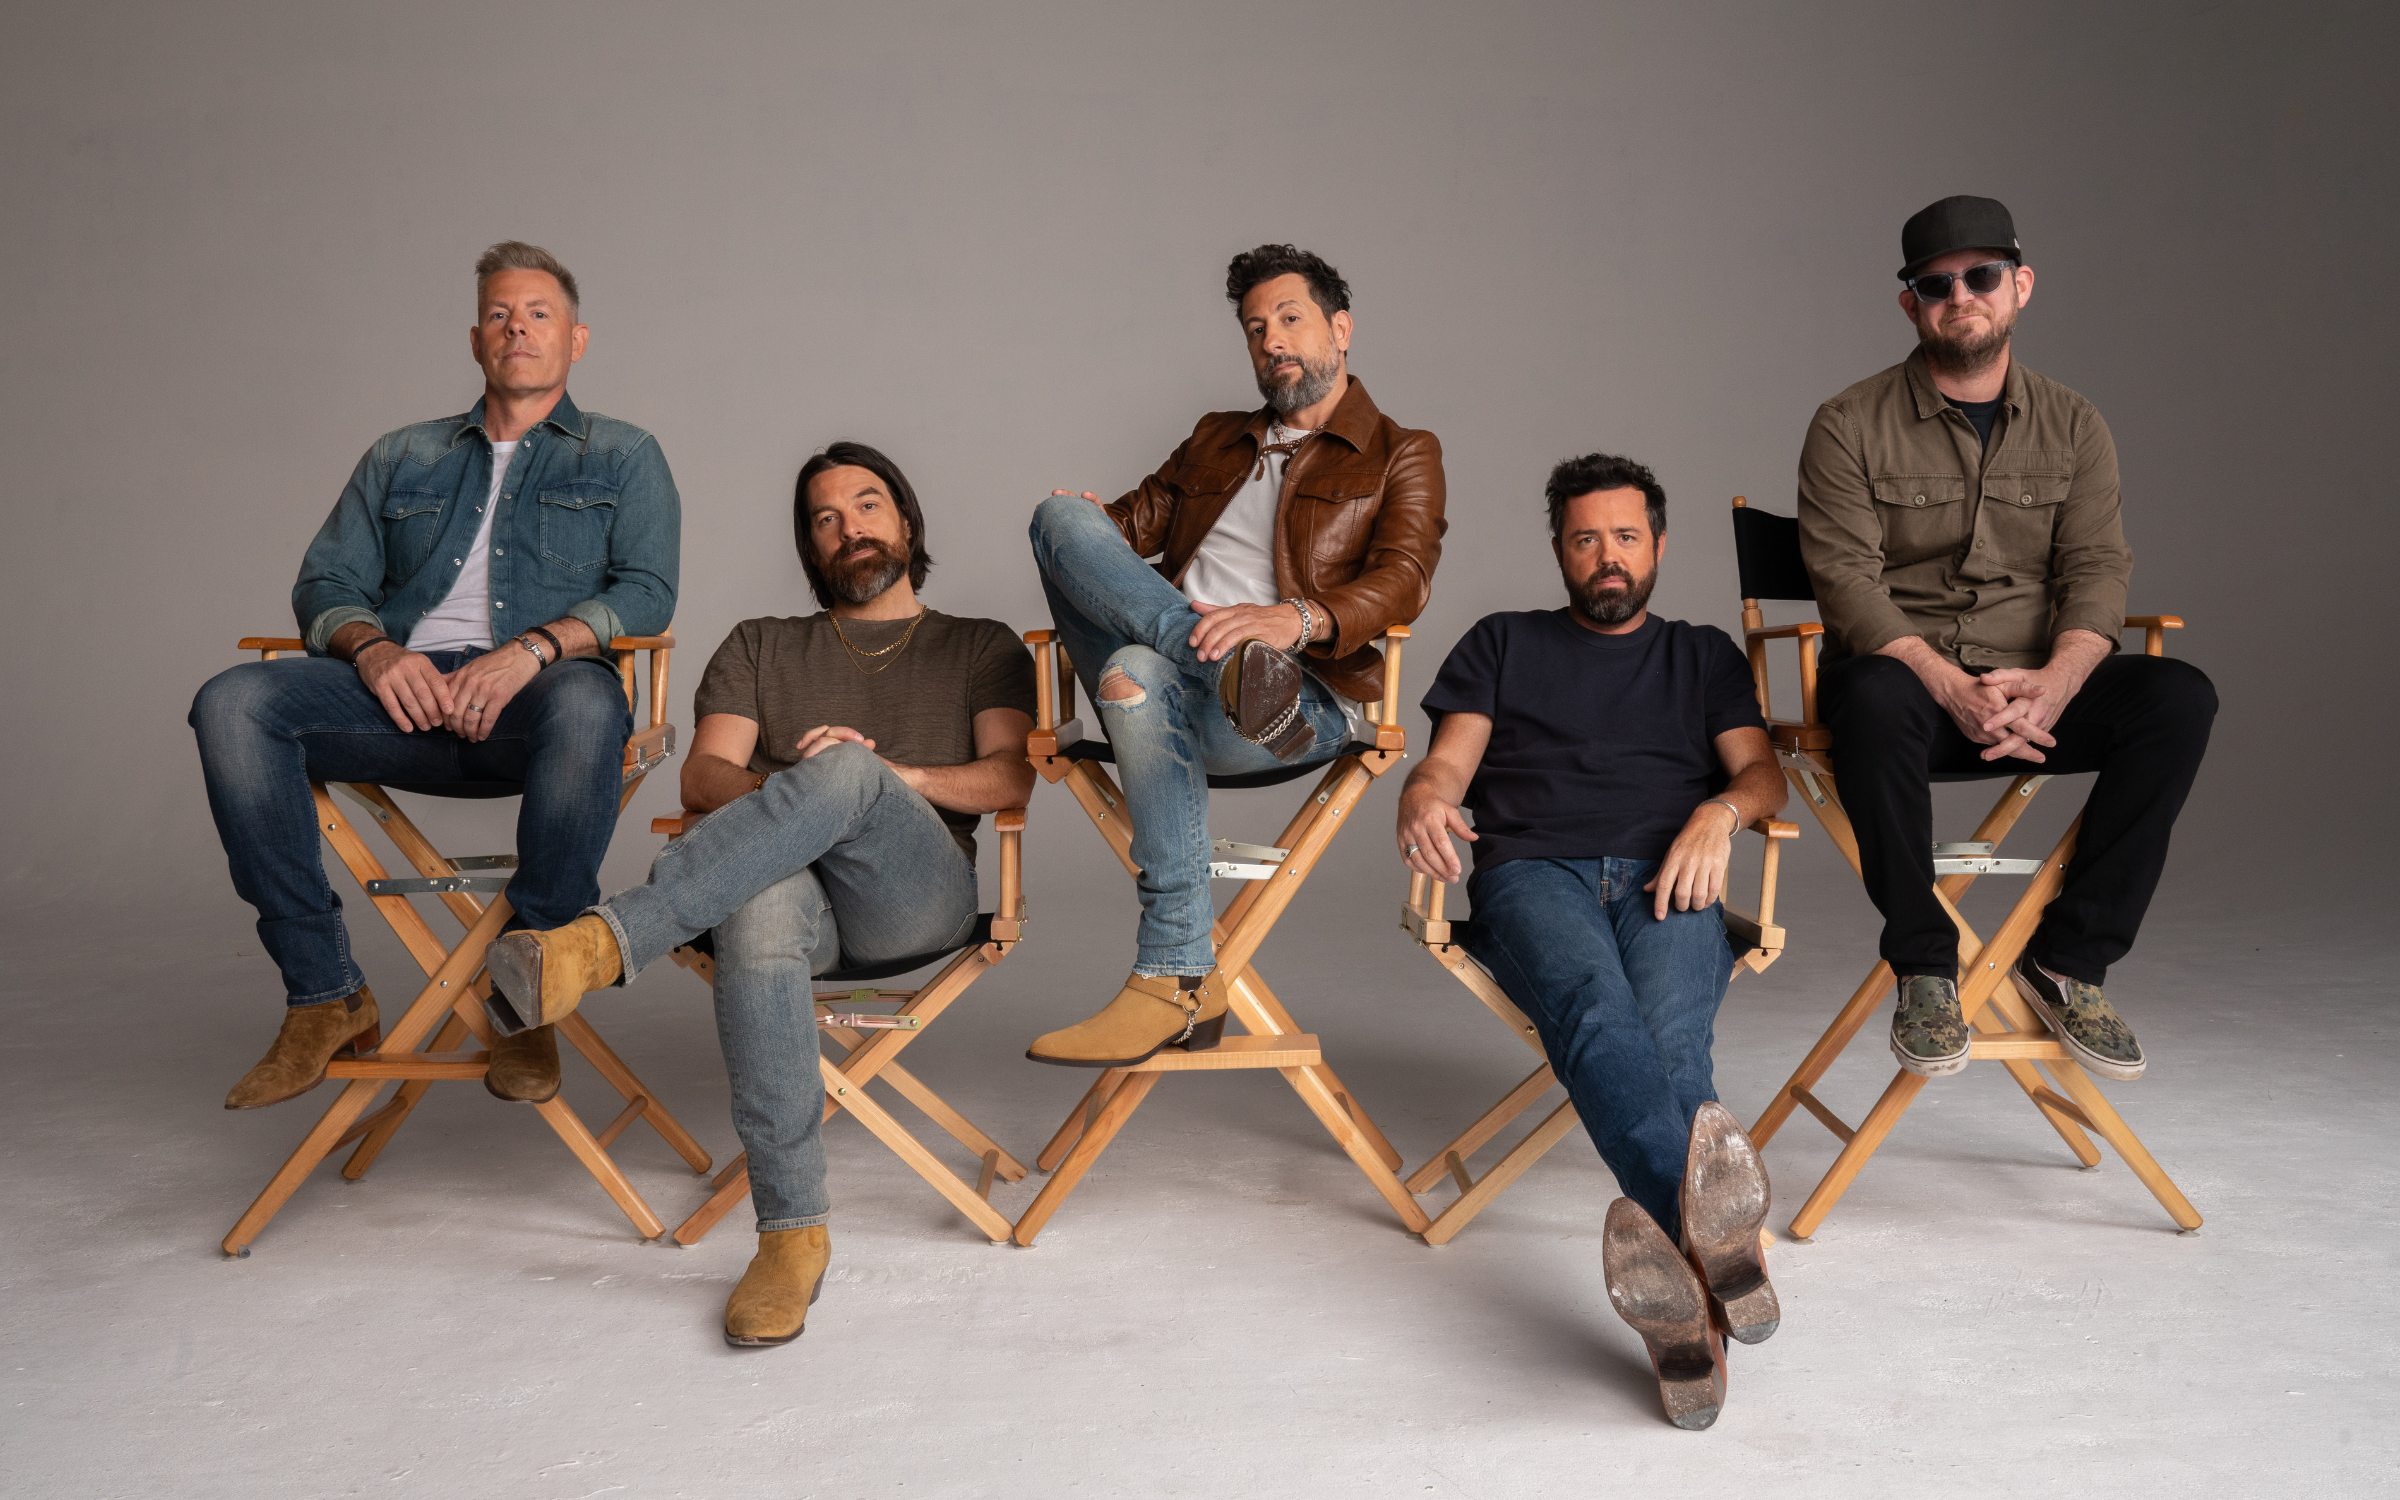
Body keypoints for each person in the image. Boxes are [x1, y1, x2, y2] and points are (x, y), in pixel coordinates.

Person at [480, 441, 1036, 1348]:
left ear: (905, 520)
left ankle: (606, 942)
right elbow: (703, 776)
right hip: (793, 904)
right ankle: (790, 1235)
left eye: (867, 506)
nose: (849, 528)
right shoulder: (761, 643)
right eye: (826, 519)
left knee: (848, 771)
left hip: (915, 897)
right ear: (809, 545)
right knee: (759, 904)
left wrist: (874, 779)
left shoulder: (980, 643)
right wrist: (807, 795)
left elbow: (1010, 778)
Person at [189, 241, 679, 1110]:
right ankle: (324, 994)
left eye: (539, 314)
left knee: (590, 702)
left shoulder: (625, 454)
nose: (517, 328)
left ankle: (528, 990)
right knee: (230, 704)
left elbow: (646, 591)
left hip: (540, 705)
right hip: (399, 702)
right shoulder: (402, 455)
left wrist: (532, 650)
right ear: (475, 339)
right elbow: (325, 585)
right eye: (499, 314)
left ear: (576, 340)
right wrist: (374, 651)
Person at [1397, 452, 1783, 1430]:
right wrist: (1422, 798)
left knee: (1673, 1046)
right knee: (1599, 1018)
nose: (1606, 557)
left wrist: (1718, 815)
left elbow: (1762, 776)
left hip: (1671, 872)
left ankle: (1686, 1325)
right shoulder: (1503, 642)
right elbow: (1445, 769)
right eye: (1584, 540)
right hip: (1535, 874)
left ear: (1658, 544)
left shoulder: (1701, 656)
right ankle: (1720, 1248)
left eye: (1624, 537)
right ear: (1559, 550)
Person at [1797, 195, 2216, 1081]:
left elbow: (2096, 569)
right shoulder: (1847, 423)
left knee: (2180, 697)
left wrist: (2057, 682)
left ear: (2020, 286)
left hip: (2036, 700)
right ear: (1910, 304)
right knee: (1869, 691)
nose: (1961, 296)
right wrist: (1949, 685)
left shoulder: (2076, 425)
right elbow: (1846, 583)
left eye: (1981, 276)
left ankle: (2067, 960)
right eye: (1936, 284)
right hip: (1908, 699)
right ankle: (1925, 969)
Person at [1022, 243, 1446, 1066]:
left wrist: (1295, 619)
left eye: (1289, 319)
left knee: (1133, 675)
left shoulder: (1403, 450)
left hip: (1299, 701)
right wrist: (1091, 529)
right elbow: (1122, 529)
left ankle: (1173, 973)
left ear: (1341, 329)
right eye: (1256, 329)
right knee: (1059, 520)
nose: (1272, 340)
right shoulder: (1216, 438)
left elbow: (1404, 579)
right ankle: (1214, 660)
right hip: (1198, 672)